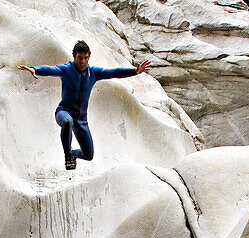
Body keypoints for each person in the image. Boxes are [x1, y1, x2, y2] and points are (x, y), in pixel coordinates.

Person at [20, 41, 151, 170]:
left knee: (88, 155)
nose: (82, 61)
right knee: (67, 121)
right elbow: (50, 69)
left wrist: (135, 71)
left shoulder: (93, 73)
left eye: (85, 58)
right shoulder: (66, 69)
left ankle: (72, 154)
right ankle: (68, 155)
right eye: (79, 57)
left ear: (89, 57)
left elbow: (114, 72)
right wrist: (35, 69)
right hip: (64, 112)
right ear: (74, 56)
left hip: (81, 120)